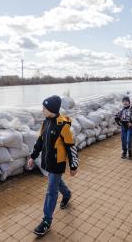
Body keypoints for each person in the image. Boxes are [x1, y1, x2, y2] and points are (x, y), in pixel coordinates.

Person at [27, 95, 79, 236]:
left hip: (58, 163)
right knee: (55, 182)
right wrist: (33, 156)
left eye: (44, 108)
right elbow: (39, 142)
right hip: (47, 161)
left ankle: (46, 221)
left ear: (52, 109)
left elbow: (71, 147)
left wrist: (74, 165)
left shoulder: (62, 126)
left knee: (51, 191)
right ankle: (67, 194)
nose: (42, 110)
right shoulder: (45, 123)